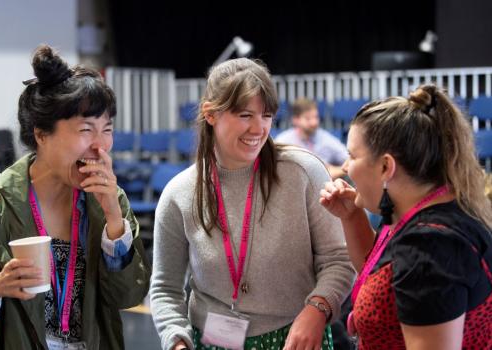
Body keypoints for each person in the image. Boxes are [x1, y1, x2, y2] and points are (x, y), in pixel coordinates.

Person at [0, 45, 151, 349]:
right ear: (41, 134)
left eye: (107, 129)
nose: (100, 145)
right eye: (85, 129)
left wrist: (115, 222)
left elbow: (128, 296)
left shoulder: (110, 203)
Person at [150, 58, 355, 350]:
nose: (259, 128)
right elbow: (165, 289)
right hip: (212, 341)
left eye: (267, 115)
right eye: (245, 115)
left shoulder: (303, 172)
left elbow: (338, 259)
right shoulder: (179, 193)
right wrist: (176, 342)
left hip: (297, 338)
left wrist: (318, 309)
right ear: (210, 114)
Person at [320, 84, 492, 349]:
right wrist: (351, 217)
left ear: (386, 166)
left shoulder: (429, 249)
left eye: (352, 155)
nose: (345, 167)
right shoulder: (428, 210)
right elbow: (383, 275)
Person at [275, 98, 348, 179]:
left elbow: (349, 158)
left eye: (316, 117)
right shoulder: (283, 140)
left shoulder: (326, 139)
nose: (314, 122)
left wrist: (336, 170)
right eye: (308, 118)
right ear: (295, 120)